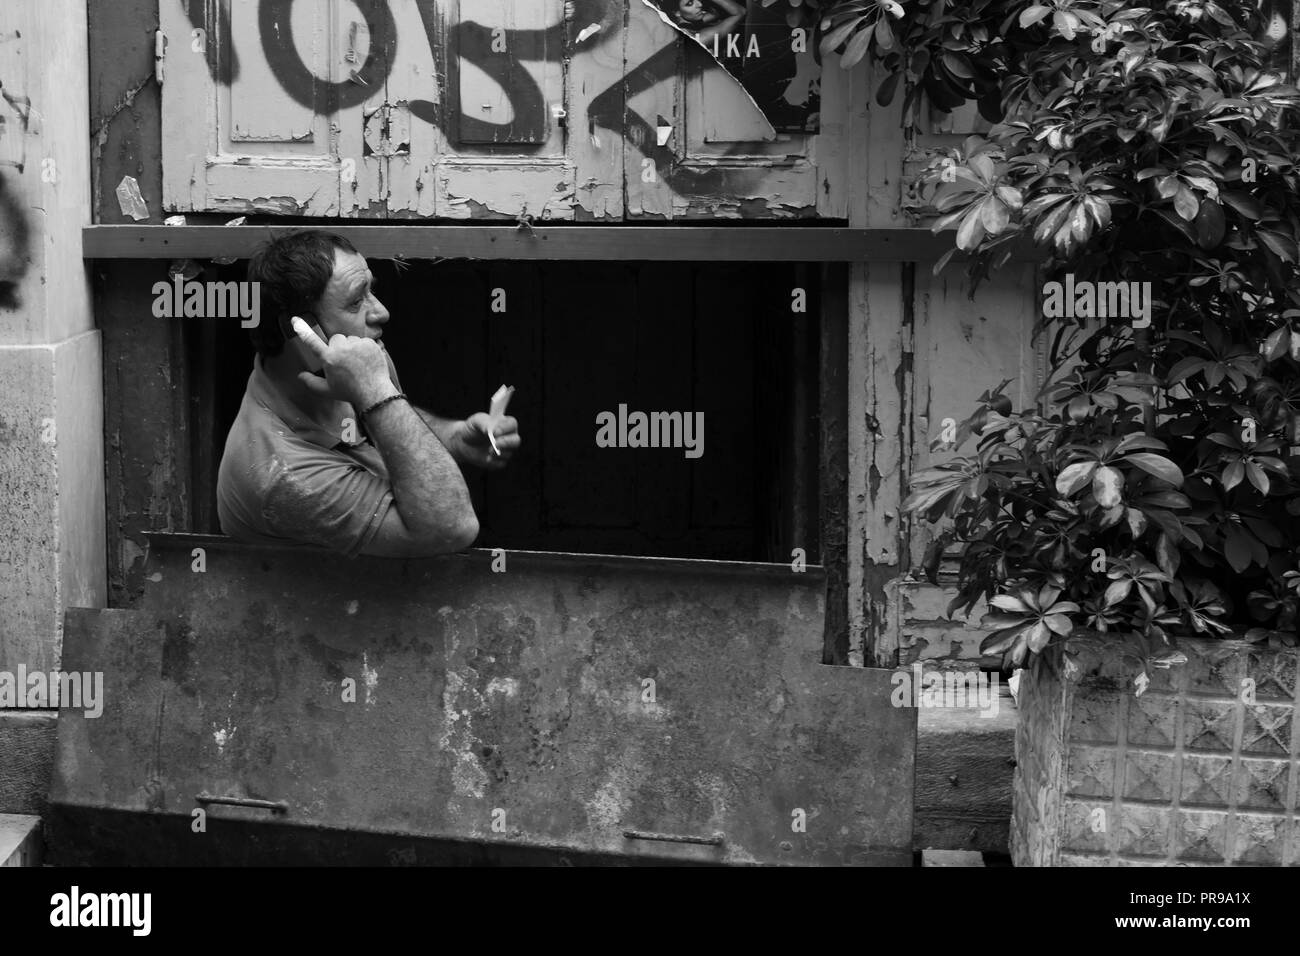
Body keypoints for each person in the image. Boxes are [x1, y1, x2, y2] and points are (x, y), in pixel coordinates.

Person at [216, 230, 520, 557]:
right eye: (356, 300)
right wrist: (375, 390)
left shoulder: (348, 365)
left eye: (371, 290)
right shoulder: (279, 476)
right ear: (301, 333)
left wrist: (453, 437)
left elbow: (386, 430)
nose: (381, 312)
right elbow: (451, 528)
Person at [663, 0, 746, 44]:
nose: (700, 4)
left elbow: (715, 13)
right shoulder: (697, 38)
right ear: (677, 12)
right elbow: (740, 12)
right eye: (690, 3)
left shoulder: (683, 25)